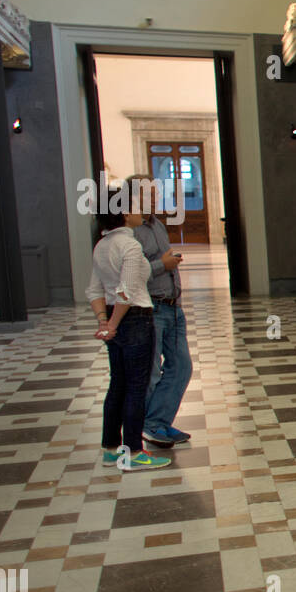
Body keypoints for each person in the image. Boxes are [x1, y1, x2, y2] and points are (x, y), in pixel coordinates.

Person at [86, 187, 171, 472]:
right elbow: (126, 291)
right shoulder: (130, 246)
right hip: (133, 318)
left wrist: (104, 321)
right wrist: (113, 323)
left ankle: (111, 447)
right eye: (134, 206)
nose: (140, 210)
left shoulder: (102, 246)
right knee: (136, 386)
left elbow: (95, 290)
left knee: (118, 384)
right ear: (123, 213)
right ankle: (133, 451)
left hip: (115, 317)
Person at [128, 174, 193, 449]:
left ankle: (158, 421)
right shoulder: (128, 232)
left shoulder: (157, 225)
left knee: (181, 366)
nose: (154, 198)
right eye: (148, 194)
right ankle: (150, 425)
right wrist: (161, 265)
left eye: (155, 193)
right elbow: (129, 273)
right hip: (150, 308)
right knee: (151, 372)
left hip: (172, 306)